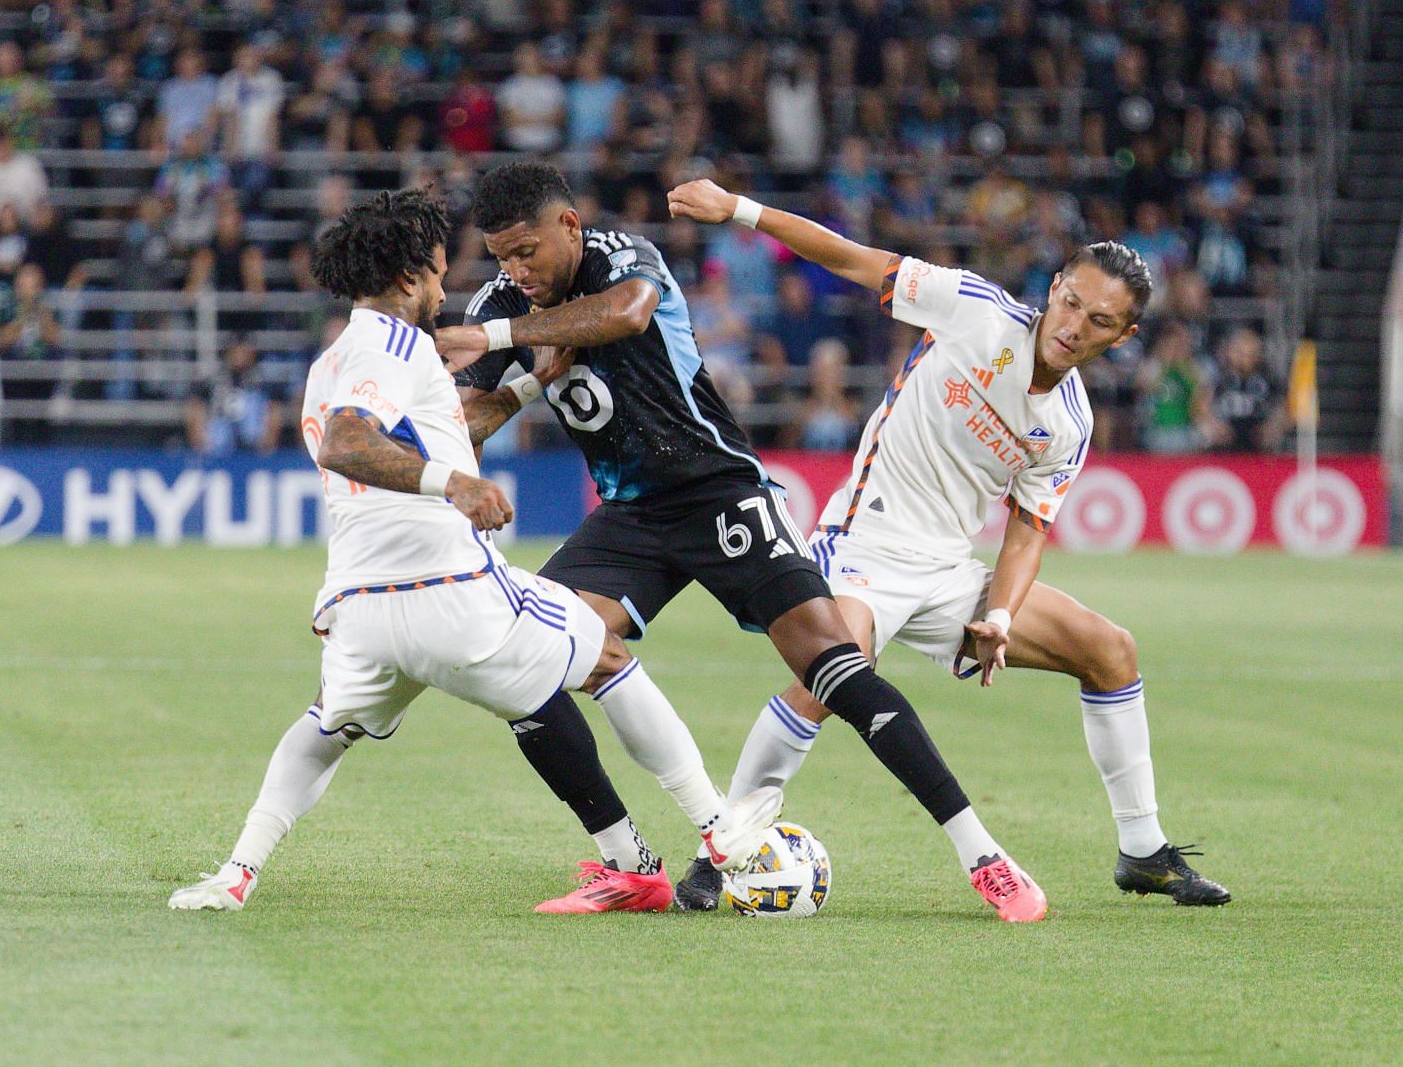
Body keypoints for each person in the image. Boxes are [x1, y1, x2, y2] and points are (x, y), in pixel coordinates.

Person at [438, 162, 1047, 922]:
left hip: (719, 489)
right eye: (500, 257)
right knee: (526, 658)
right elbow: (470, 420)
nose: (514, 271)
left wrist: (503, 336)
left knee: (832, 666)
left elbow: (628, 313)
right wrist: (525, 382)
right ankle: (631, 863)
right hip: (629, 514)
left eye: (526, 251)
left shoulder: (620, 257)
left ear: (567, 226)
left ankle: (982, 854)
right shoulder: (501, 300)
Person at [170, 188, 775, 915]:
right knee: (608, 658)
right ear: (405, 279)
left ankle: (236, 872)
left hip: (359, 608)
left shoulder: (332, 360)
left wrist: (525, 382)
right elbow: (349, 442)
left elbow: (437, 426)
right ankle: (720, 830)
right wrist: (454, 483)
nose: (440, 288)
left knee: (326, 728)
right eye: (433, 273)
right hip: (450, 589)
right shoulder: (391, 342)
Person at [665, 177, 1232, 907]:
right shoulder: (973, 309)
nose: (1073, 325)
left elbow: (1027, 532)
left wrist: (997, 616)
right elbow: (851, 257)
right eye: (1069, 302)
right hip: (861, 543)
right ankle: (718, 855)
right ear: (1053, 287)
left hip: (946, 573)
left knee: (1110, 649)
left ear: (1122, 336)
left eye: (1098, 321)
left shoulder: (1069, 422)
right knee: (834, 672)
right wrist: (740, 210)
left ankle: (1143, 849)